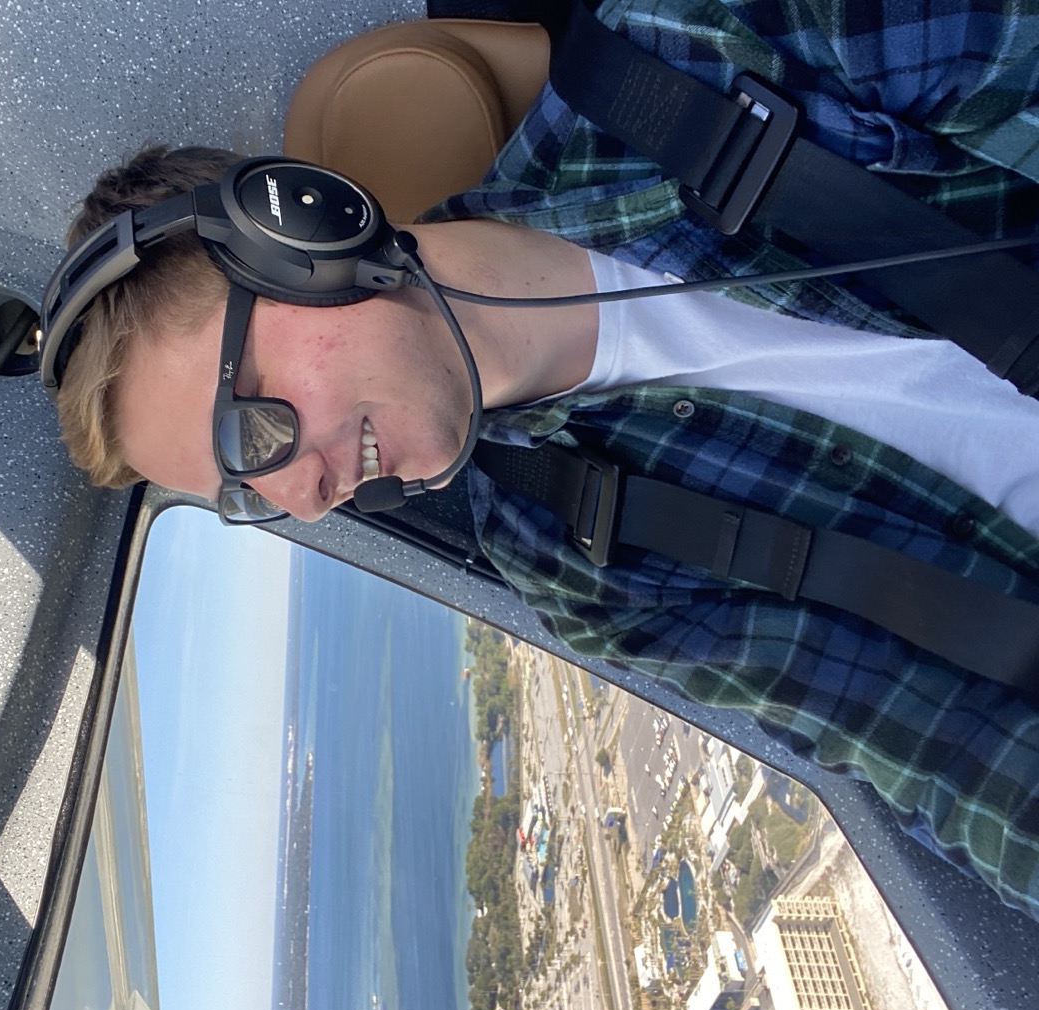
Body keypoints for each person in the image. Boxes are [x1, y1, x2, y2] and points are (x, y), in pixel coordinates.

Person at [51, 0, 1039, 921]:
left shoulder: (695, 56)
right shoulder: (572, 559)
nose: (303, 499)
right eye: (243, 491)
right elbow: (943, 754)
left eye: (248, 434)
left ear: (296, 228)